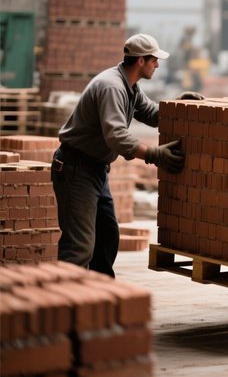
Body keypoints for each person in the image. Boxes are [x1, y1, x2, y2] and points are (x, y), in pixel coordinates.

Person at [51, 33, 190, 277]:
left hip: (95, 169)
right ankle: (65, 306)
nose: (157, 65)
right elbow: (116, 136)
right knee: (80, 246)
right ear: (141, 61)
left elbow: (152, 114)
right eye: (154, 60)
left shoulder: (130, 87)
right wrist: (154, 154)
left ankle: (99, 295)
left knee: (107, 236)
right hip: (76, 168)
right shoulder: (112, 86)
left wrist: (178, 106)